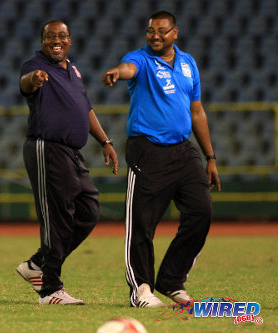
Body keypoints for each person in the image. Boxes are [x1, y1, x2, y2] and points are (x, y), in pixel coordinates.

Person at [102, 11, 221, 308]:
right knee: (142, 223)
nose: (155, 36)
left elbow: (197, 111)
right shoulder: (140, 59)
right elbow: (128, 67)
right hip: (148, 149)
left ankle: (170, 279)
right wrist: (118, 72)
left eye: (162, 31)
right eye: (151, 31)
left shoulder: (187, 62)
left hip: (184, 150)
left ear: (175, 33)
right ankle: (141, 289)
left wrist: (210, 156)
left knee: (201, 211)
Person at [16, 19, 119, 305]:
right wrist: (33, 79)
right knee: (58, 217)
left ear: (70, 40)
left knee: (88, 210)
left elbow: (85, 109)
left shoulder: (72, 70)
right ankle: (50, 290)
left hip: (72, 152)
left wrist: (105, 141)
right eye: (50, 37)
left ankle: (37, 264)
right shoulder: (35, 66)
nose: (56, 40)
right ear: (42, 42)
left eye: (62, 36)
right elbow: (25, 83)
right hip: (46, 148)